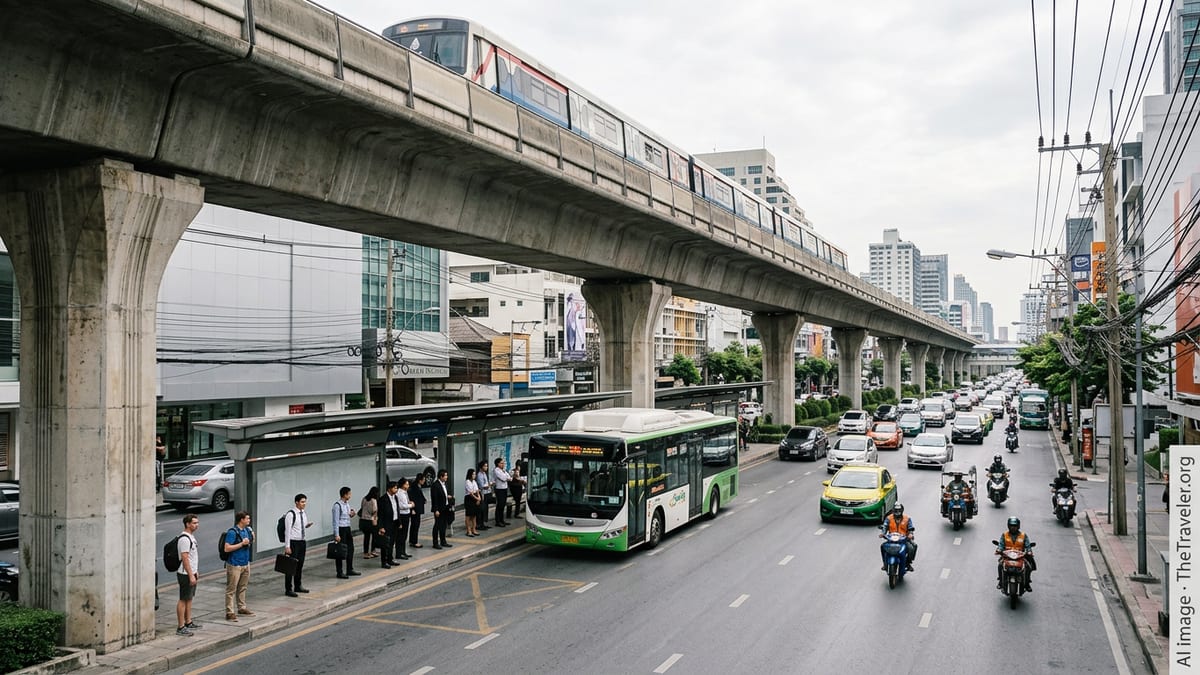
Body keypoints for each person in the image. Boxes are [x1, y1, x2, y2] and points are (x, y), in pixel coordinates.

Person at [222, 511, 254, 622]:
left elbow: (249, 543)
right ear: (241, 520)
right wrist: (241, 544)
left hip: (245, 563)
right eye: (247, 519)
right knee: (231, 589)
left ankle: (242, 607)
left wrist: (251, 538)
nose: (249, 521)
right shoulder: (232, 532)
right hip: (235, 564)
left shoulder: (246, 530)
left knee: (243, 587)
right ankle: (230, 612)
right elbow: (227, 548)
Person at [282, 494, 314, 597]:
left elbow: (300, 526)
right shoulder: (291, 514)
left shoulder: (303, 513)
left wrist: (306, 526)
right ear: (296, 502)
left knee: (300, 564)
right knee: (291, 566)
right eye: (302, 502)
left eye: (305, 502)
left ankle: (298, 585)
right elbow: (287, 531)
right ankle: (288, 589)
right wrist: (287, 546)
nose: (304, 504)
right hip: (293, 542)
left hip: (302, 541)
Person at [176, 514, 201, 636]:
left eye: (197, 523)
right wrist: (191, 575)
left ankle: (188, 621)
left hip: (192, 572)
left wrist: (196, 572)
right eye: (194, 523)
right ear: (187, 524)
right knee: (183, 599)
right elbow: (185, 558)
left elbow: (192, 557)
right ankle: (180, 627)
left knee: (189, 598)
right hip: (185, 573)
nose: (197, 525)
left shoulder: (191, 537)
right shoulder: (184, 539)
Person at [996, 516, 1036, 591]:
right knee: (1000, 565)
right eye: (1011, 526)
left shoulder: (1023, 535)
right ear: (1008, 526)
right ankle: (1001, 582)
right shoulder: (1004, 535)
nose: (1013, 528)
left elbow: (1027, 545)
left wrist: (1029, 551)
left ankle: (1027, 583)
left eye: (1015, 526)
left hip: (1020, 557)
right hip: (1007, 556)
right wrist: (999, 549)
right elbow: (1001, 544)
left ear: (1018, 526)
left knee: (1028, 567)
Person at [878, 503, 916, 571]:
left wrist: (910, 534)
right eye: (896, 511)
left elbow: (910, 528)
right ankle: (885, 564)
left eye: (899, 511)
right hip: (891, 539)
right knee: (882, 547)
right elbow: (885, 526)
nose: (897, 512)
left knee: (912, 547)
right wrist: (882, 533)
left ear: (902, 511)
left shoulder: (907, 519)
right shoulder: (889, 518)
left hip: (904, 540)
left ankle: (908, 563)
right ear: (893, 511)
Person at [332, 487, 360, 579]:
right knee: (340, 551)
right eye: (349, 494)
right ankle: (339, 572)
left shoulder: (347, 504)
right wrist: (336, 534)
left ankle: (349, 569)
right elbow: (335, 521)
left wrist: (351, 515)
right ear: (344, 494)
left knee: (350, 549)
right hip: (341, 529)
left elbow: (347, 516)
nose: (350, 495)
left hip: (347, 528)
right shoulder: (337, 505)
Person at [376, 481, 402, 568]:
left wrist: (399, 522)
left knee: (392, 542)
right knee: (385, 544)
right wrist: (381, 527)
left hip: (394, 522)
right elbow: (380, 515)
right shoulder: (383, 499)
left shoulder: (395, 498)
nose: (396, 489)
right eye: (395, 488)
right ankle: (384, 562)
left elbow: (397, 510)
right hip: (386, 524)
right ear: (389, 489)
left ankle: (390, 559)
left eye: (397, 488)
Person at [431, 469, 454, 548]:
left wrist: (447, 497)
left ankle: (443, 541)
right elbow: (435, 499)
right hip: (439, 509)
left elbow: (443, 495)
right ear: (441, 476)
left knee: (443, 525)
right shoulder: (435, 485)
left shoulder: (444, 484)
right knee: (437, 525)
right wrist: (436, 510)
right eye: (445, 475)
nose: (447, 477)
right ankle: (435, 543)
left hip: (445, 507)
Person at [408, 473, 428, 548]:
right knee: (415, 525)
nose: (424, 481)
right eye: (423, 480)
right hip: (415, 509)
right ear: (420, 480)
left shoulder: (418, 486)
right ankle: (414, 541)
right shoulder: (414, 488)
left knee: (415, 525)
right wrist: (412, 509)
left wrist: (424, 500)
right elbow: (412, 498)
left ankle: (412, 540)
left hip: (417, 508)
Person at [359, 486, 379, 559]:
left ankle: (366, 552)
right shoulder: (373, 500)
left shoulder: (364, 499)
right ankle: (373, 550)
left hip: (363, 520)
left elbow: (361, 507)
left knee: (366, 537)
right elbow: (374, 511)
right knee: (374, 536)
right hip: (370, 520)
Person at [492, 457, 511, 527]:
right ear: (498, 464)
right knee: (499, 505)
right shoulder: (496, 470)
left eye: (503, 463)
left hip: (505, 488)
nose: (503, 464)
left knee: (503, 505)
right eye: (501, 463)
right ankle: (498, 521)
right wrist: (506, 477)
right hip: (499, 489)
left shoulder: (503, 470)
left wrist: (507, 477)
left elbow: (510, 478)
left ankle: (502, 520)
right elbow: (503, 478)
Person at [476, 461, 493, 530]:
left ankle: (483, 523)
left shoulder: (484, 474)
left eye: (487, 466)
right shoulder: (479, 475)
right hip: (483, 494)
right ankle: (479, 524)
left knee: (485, 509)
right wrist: (489, 485)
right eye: (485, 466)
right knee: (482, 509)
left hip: (487, 493)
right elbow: (482, 486)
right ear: (481, 467)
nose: (486, 467)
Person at [464, 468, 481, 536]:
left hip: (475, 497)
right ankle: (468, 530)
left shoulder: (474, 482)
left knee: (474, 515)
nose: (474, 475)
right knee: (468, 515)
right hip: (469, 499)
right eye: (473, 474)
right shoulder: (467, 482)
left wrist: (479, 497)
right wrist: (477, 498)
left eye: (475, 474)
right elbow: (470, 493)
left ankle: (474, 529)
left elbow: (477, 490)